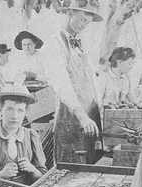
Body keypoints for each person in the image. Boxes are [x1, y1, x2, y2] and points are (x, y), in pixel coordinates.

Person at [41, 0, 103, 164]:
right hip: (71, 114)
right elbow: (62, 83)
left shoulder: (83, 43)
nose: (85, 25)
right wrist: (81, 116)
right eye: (83, 20)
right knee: (70, 167)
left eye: (88, 22)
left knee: (91, 163)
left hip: (90, 113)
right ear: (70, 13)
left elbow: (92, 79)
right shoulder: (54, 43)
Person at [0, 85, 47, 185]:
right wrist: (0, 175)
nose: (15, 116)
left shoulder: (31, 136)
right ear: (0, 110)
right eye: (9, 109)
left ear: (25, 112)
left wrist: (32, 169)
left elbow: (43, 176)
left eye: (20, 110)